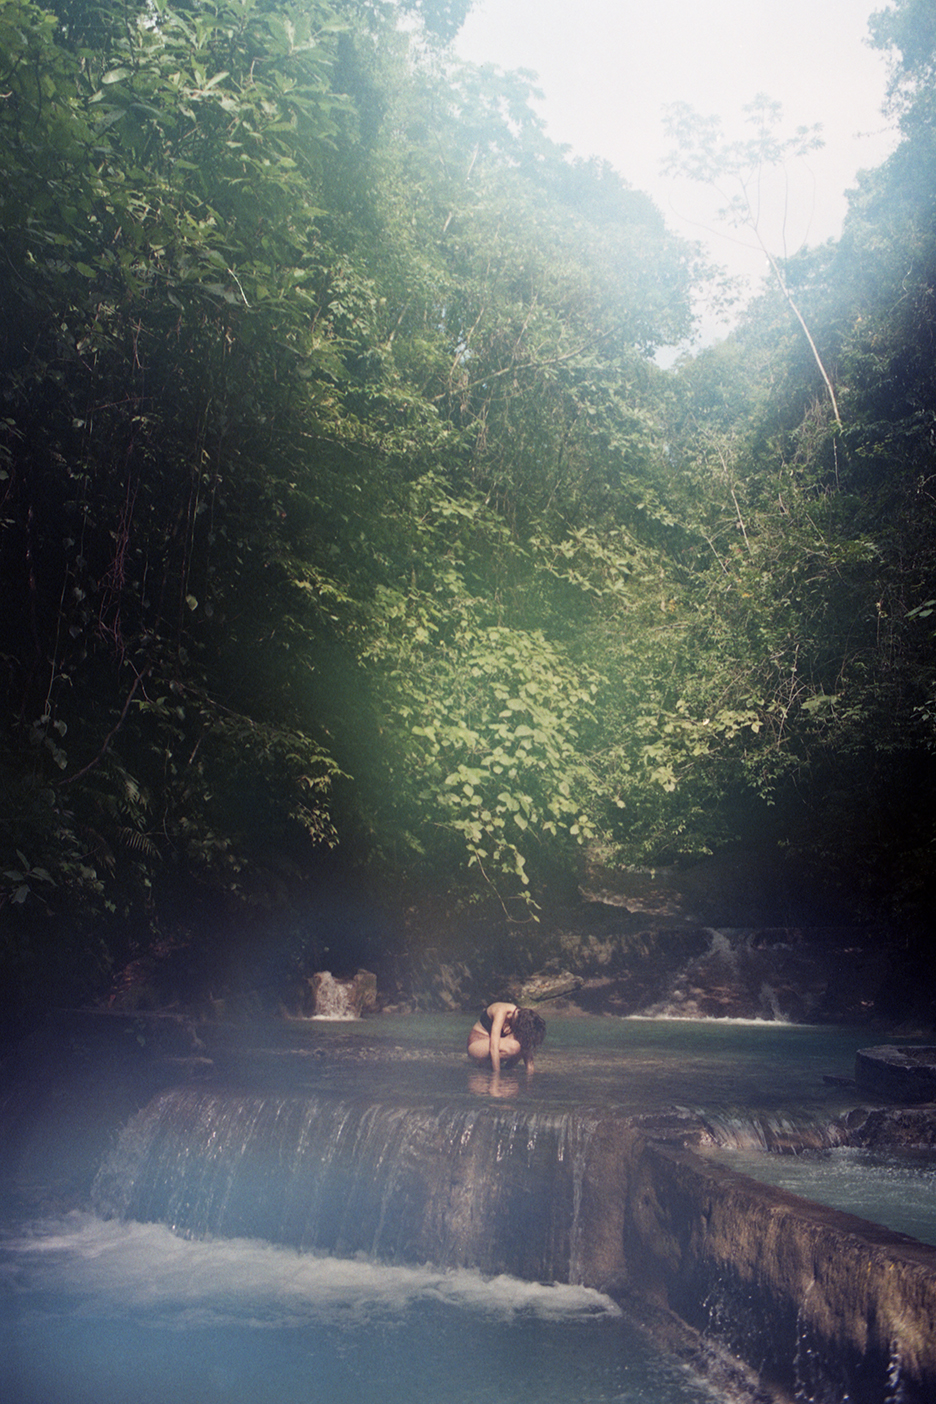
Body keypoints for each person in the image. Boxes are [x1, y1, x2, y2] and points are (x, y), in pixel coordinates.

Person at [466, 1001, 546, 1074]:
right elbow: (494, 1047)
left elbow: (526, 1048)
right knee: (515, 1046)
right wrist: (496, 1075)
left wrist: (530, 1072)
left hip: (489, 1047)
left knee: (523, 1043)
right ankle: (490, 1068)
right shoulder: (501, 1012)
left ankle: (506, 1070)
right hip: (475, 1046)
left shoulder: (519, 1017)